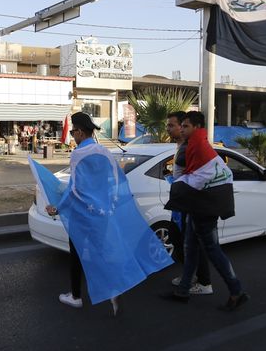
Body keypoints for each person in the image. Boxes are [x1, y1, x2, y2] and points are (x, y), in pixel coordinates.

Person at [44, 112, 172, 316]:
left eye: (72, 131)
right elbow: (115, 182)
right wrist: (110, 206)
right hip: (103, 214)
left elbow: (74, 189)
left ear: (79, 131)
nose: (72, 135)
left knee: (77, 255)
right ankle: (115, 288)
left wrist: (57, 207)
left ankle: (76, 296)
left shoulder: (78, 154)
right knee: (103, 252)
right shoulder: (104, 151)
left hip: (83, 215)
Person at [164, 111, 249, 311]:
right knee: (190, 247)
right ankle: (183, 290)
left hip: (205, 204)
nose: (181, 129)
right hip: (199, 203)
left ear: (196, 127)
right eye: (181, 126)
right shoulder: (194, 144)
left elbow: (199, 177)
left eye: (185, 126)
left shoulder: (196, 147)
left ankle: (236, 291)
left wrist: (178, 188)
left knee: (212, 249)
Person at [165, 111, 213, 295]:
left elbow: (194, 176)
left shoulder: (188, 148)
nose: (168, 129)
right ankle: (190, 276)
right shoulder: (181, 147)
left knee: (195, 243)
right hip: (181, 202)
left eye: (173, 125)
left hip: (188, 203)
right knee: (182, 239)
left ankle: (204, 282)